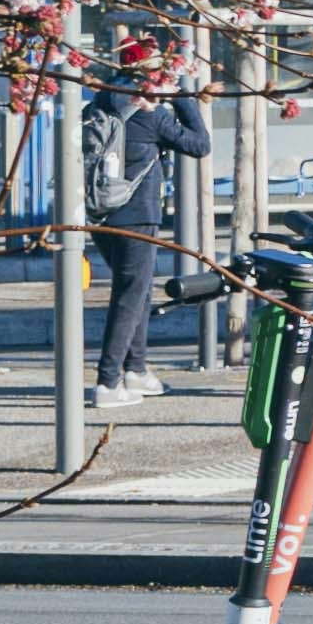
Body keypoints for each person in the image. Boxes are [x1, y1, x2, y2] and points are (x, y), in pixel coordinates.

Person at [83, 61, 212, 392]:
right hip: (138, 216)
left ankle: (136, 369)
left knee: (135, 292)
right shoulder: (151, 116)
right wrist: (182, 97)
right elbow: (200, 144)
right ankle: (108, 380)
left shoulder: (101, 102)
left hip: (101, 214)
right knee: (129, 296)